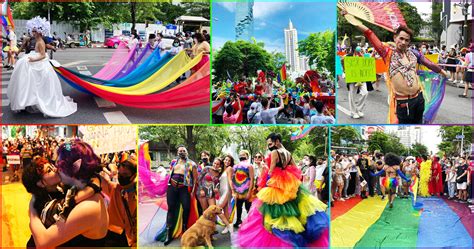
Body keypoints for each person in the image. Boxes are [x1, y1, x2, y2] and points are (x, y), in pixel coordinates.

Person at [342, 12, 447, 124]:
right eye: (401, 38)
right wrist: (351, 19)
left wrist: (442, 72)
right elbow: (369, 33)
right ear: (395, 37)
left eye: (407, 40)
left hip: (419, 98)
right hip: (403, 102)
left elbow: (429, 63)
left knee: (419, 124)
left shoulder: (414, 53)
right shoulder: (387, 53)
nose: (403, 42)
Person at [236, 133, 329, 247]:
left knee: (272, 211)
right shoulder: (288, 153)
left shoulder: (275, 152)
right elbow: (296, 169)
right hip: (289, 182)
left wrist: (265, 182)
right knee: (293, 208)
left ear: (277, 141)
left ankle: (277, 241)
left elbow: (271, 170)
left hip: (276, 183)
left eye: (270, 143)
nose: (269, 146)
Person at [23, 154, 108, 247]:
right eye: (49, 170)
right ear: (40, 184)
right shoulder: (47, 205)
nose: (57, 169)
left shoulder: (86, 203)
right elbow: (42, 242)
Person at [7, 16, 77, 118]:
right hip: (35, 60)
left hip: (40, 63)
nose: (33, 33)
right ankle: (27, 101)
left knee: (33, 80)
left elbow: (43, 55)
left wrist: (32, 59)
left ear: (39, 32)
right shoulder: (34, 40)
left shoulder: (40, 42)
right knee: (26, 76)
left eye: (35, 31)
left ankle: (32, 100)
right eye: (33, 31)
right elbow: (31, 50)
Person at [159, 145, 198, 246]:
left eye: (183, 151)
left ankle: (185, 228)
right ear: (177, 153)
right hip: (172, 188)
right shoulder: (173, 162)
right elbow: (170, 173)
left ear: (187, 152)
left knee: (186, 207)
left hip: (183, 189)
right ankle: (169, 233)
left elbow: (195, 179)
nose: (182, 152)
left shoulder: (192, 164)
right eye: (180, 151)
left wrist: (193, 192)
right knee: (171, 209)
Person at [100, 158, 138, 247]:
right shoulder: (115, 188)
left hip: (130, 238)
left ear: (133, 175)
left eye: (125, 174)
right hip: (113, 234)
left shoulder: (138, 193)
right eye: (120, 174)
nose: (121, 177)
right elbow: (100, 180)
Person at [230, 150, 254, 228]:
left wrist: (249, 192)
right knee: (238, 206)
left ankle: (251, 222)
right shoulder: (236, 166)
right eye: (240, 155)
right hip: (238, 191)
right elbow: (233, 178)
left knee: (248, 207)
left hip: (247, 190)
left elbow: (252, 179)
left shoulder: (250, 166)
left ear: (247, 156)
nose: (241, 156)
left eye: (243, 154)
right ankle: (238, 220)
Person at [218, 155, 234, 234]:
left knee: (218, 209)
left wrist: (233, 191)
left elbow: (230, 180)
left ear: (231, 163)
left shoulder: (229, 168)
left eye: (229, 161)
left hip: (227, 191)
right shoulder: (222, 170)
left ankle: (228, 226)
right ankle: (227, 227)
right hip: (222, 191)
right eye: (226, 160)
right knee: (225, 210)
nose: (227, 162)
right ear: (223, 160)